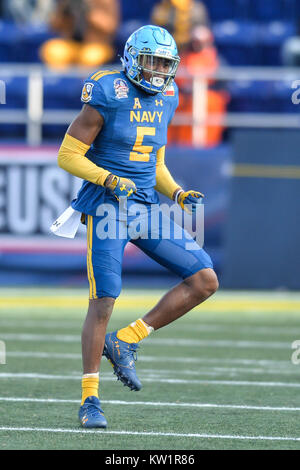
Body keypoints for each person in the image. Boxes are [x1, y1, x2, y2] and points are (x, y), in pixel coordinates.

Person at [56, 24, 218, 428]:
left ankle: (127, 340)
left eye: (165, 63)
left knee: (204, 280)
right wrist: (109, 179)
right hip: (109, 207)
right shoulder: (108, 92)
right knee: (104, 299)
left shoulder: (168, 94)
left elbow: (155, 162)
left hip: (144, 206)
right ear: (131, 58)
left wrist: (177, 193)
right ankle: (89, 399)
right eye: (151, 62)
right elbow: (68, 155)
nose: (158, 71)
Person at [40, 0, 119, 68]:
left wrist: (89, 12)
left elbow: (111, 28)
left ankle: (86, 84)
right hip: (71, 44)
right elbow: (54, 26)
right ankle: (61, 84)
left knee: (91, 57)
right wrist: (64, 13)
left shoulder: (105, 1)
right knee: (53, 50)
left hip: (96, 45)